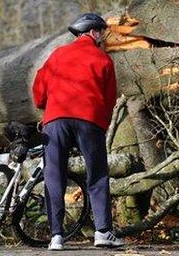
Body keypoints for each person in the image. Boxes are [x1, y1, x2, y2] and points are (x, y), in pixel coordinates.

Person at [32, 13, 124, 250]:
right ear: (93, 32)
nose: (103, 37)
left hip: (56, 120)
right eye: (101, 33)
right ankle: (103, 232)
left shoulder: (57, 55)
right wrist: (100, 124)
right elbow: (109, 100)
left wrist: (49, 108)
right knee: (97, 175)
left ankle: (56, 237)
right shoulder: (103, 60)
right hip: (89, 121)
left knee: (54, 176)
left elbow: (39, 92)